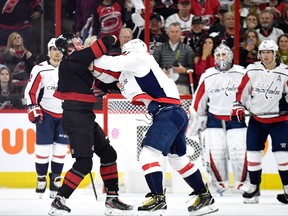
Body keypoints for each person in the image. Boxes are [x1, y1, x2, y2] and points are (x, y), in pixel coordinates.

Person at [93, 38, 218, 216]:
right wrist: (90, 66)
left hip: (167, 112)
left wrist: (88, 55)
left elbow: (112, 63)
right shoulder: (133, 70)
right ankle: (205, 198)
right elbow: (109, 73)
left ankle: (158, 199)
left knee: (147, 154)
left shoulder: (140, 58)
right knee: (178, 159)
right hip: (173, 113)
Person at [48, 33, 133, 216]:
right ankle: (59, 200)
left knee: (109, 154)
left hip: (84, 115)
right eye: (75, 41)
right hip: (76, 116)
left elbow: (100, 86)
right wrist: (113, 36)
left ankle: (112, 199)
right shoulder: (75, 59)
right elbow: (106, 42)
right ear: (68, 48)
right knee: (84, 164)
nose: (79, 42)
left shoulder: (77, 63)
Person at [231, 39, 288, 204]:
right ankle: (254, 187)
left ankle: (287, 188)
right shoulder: (252, 70)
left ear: (275, 53)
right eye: (263, 52)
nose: (266, 55)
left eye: (269, 52)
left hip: (280, 120)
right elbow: (242, 92)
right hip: (257, 119)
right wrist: (238, 107)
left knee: (282, 155)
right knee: (253, 154)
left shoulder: (284, 72)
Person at [187, 42, 248, 194]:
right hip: (214, 118)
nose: (221, 58)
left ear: (231, 56)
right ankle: (219, 183)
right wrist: (197, 117)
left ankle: (242, 183)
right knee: (216, 151)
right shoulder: (208, 75)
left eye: (224, 55)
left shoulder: (242, 73)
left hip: (236, 118)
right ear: (214, 58)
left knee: (238, 151)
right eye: (218, 55)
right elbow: (199, 98)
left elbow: (250, 93)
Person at [24, 38, 69, 199]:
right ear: (49, 51)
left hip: (65, 115)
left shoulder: (69, 68)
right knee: (43, 148)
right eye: (54, 49)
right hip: (46, 113)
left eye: (60, 49)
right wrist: (33, 108)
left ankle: (56, 179)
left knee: (60, 149)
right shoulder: (40, 69)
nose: (57, 53)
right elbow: (30, 92)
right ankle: (41, 177)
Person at [153, 22, 194, 94]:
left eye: (177, 32)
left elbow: (193, 68)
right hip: (164, 84)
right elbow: (153, 67)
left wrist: (184, 70)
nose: (174, 34)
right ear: (168, 33)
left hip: (181, 85)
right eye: (172, 32)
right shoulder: (159, 48)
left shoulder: (188, 49)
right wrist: (161, 72)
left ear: (180, 33)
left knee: (182, 105)